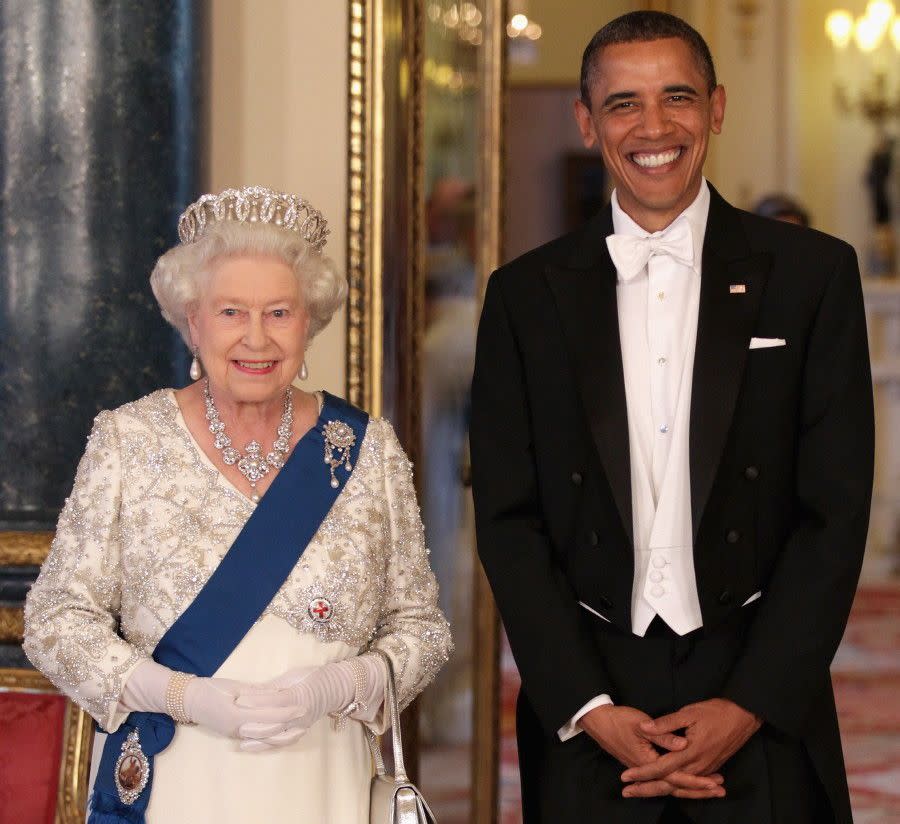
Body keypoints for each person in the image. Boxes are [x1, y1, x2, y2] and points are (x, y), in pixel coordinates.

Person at [471, 12, 872, 824]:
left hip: (759, 690)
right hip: (593, 704)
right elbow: (509, 521)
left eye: (677, 97)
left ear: (716, 108)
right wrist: (586, 703)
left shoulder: (813, 275)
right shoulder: (523, 296)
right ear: (588, 121)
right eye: (623, 104)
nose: (654, 127)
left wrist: (748, 704)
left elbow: (833, 514)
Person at [23, 186, 452, 824]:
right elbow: (56, 621)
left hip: (321, 782)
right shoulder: (129, 440)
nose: (256, 338)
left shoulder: (366, 451)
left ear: (310, 322)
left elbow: (423, 628)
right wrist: (184, 695)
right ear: (192, 321)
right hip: (179, 780)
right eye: (230, 312)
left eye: (279, 312)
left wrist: (343, 685)